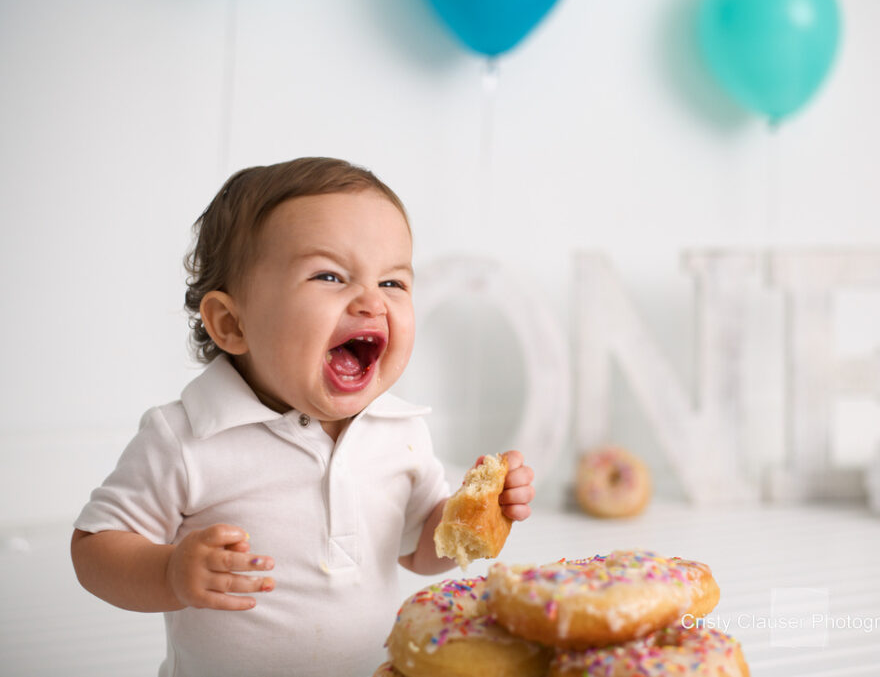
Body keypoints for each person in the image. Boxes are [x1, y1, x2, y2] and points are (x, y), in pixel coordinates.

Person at [70, 157, 536, 676]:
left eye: (393, 283)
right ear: (231, 323)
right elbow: (95, 549)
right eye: (329, 276)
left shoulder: (399, 432)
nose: (370, 302)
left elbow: (421, 552)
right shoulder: (186, 438)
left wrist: (477, 517)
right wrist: (169, 573)